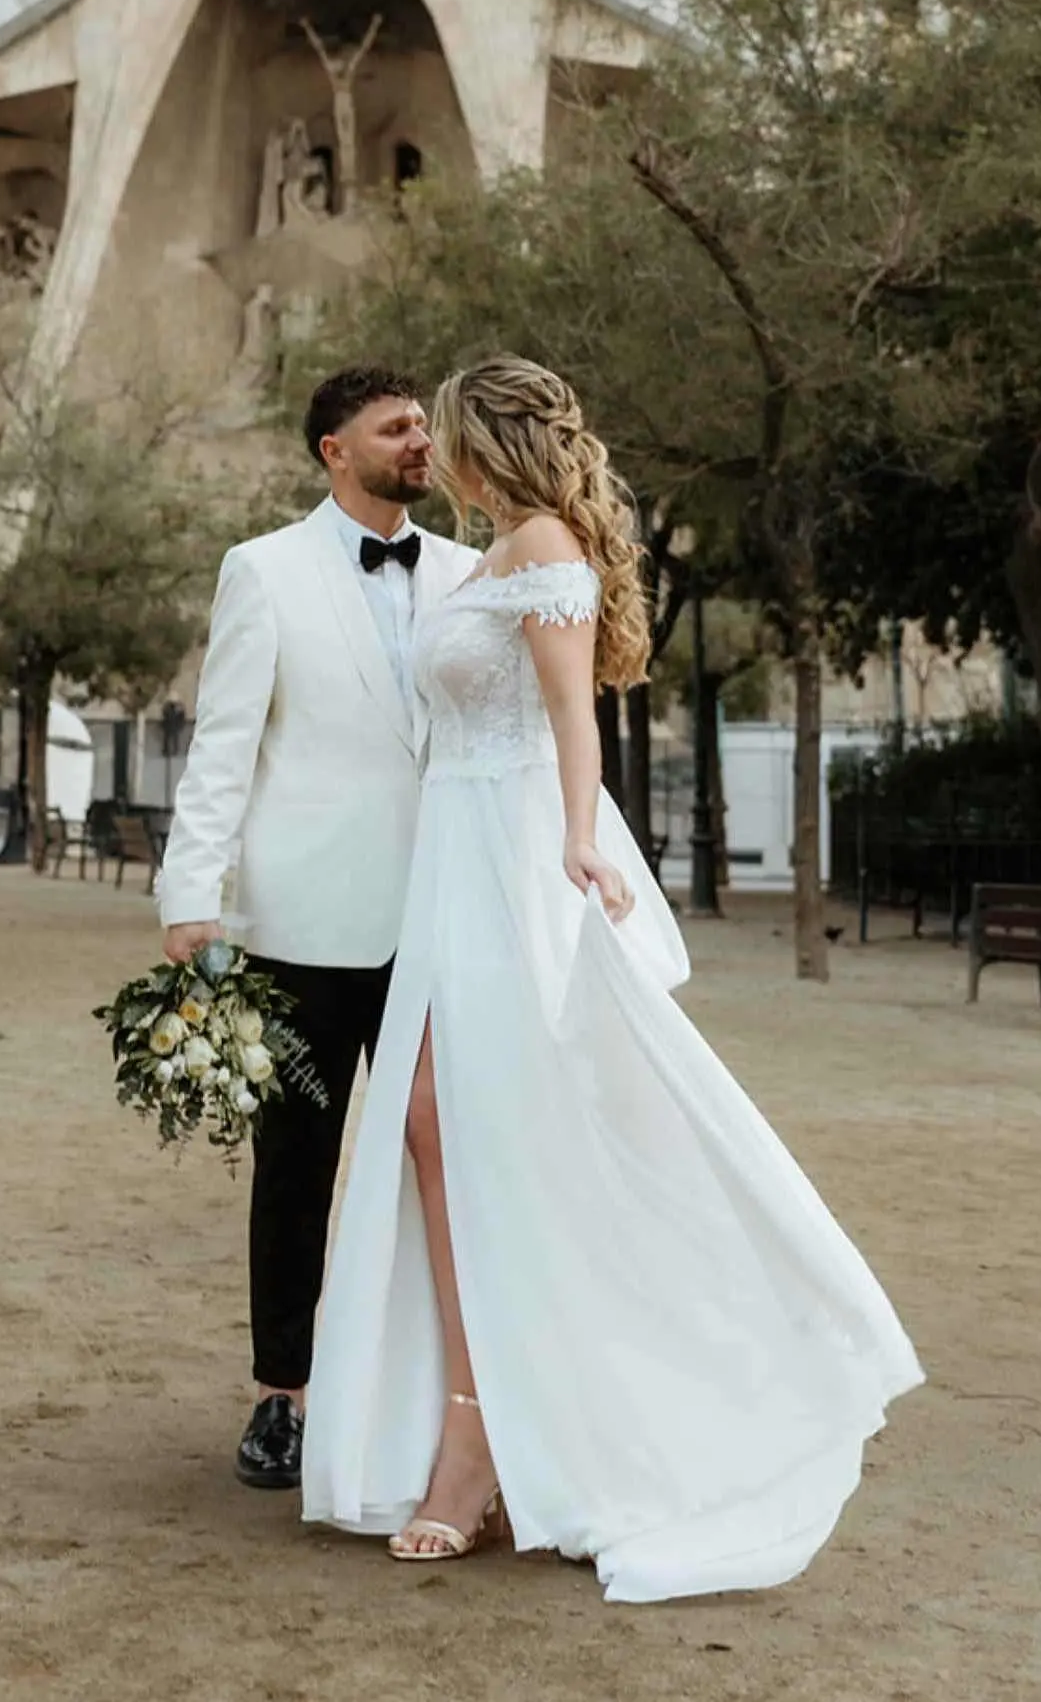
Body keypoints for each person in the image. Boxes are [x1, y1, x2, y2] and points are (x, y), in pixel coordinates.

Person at [301, 356, 923, 1599]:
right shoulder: (481, 554)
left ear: (487, 444)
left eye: (446, 430)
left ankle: (483, 1438)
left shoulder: (540, 545)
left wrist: (579, 840)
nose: (433, 448)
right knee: (430, 1123)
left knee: (484, 1129)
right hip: (448, 858)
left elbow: (570, 716)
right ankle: (474, 1418)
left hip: (513, 849)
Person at [156, 365, 478, 1495]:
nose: (419, 442)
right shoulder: (262, 571)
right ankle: (280, 1398)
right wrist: (191, 897)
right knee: (296, 1167)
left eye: (424, 426)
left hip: (440, 920)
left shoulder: (471, 573)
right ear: (333, 450)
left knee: (448, 1165)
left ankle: (435, 1401)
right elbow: (224, 745)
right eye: (395, 428)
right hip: (300, 922)